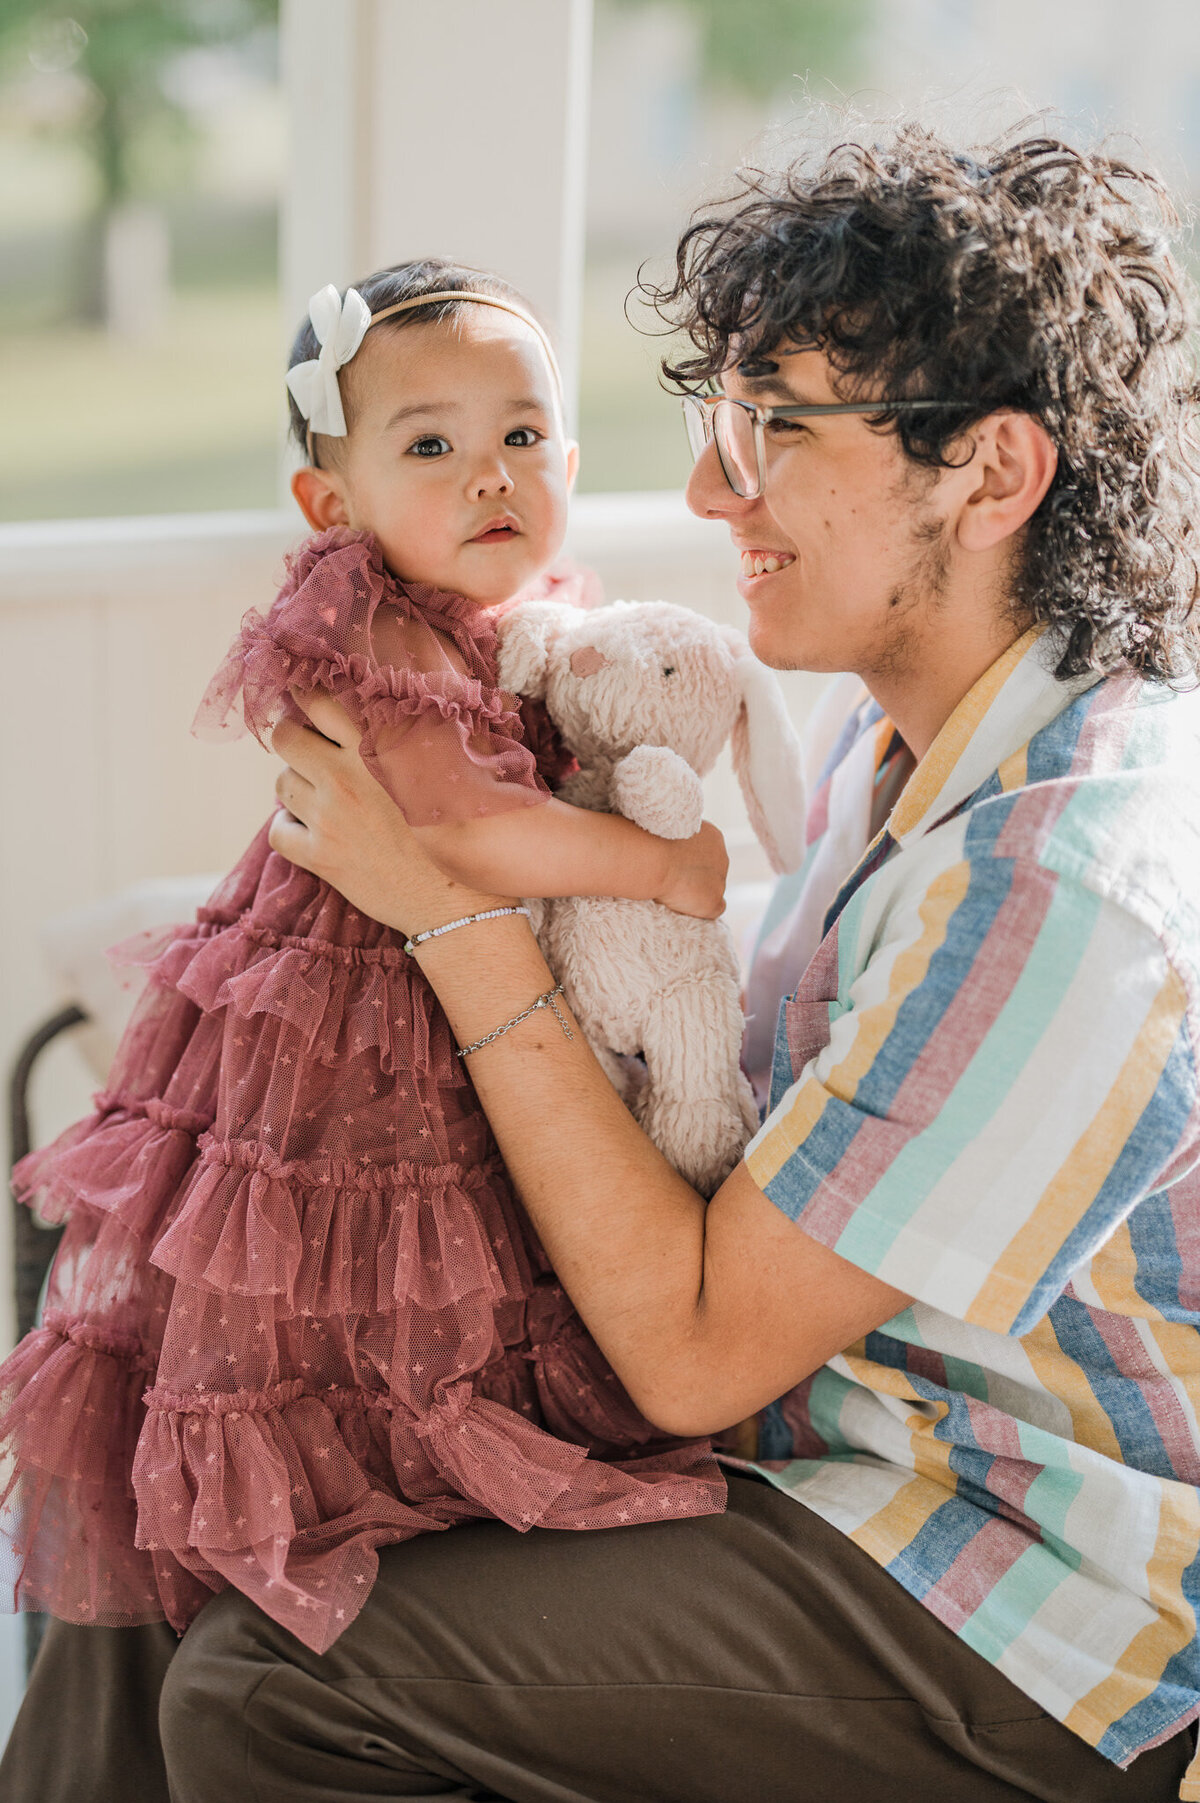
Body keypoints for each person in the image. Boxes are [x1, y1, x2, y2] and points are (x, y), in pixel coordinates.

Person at [7, 124, 1200, 1803]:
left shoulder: (1059, 887)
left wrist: (452, 917)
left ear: (990, 474)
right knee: (188, 1499)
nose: (711, 491)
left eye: (771, 431)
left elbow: (700, 1349)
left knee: (275, 1684)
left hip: (1009, 1589)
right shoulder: (899, 742)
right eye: (722, 427)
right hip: (817, 1448)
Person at [0, 260, 728, 1671]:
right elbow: (466, 829)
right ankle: (360, 1489)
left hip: (454, 997)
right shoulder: (370, 623)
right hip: (353, 1013)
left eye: (523, 437)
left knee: (463, 1249)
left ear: (573, 461)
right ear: (331, 507)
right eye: (431, 446)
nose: (490, 475)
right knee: (354, 1270)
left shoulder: (527, 620)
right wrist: (666, 870)